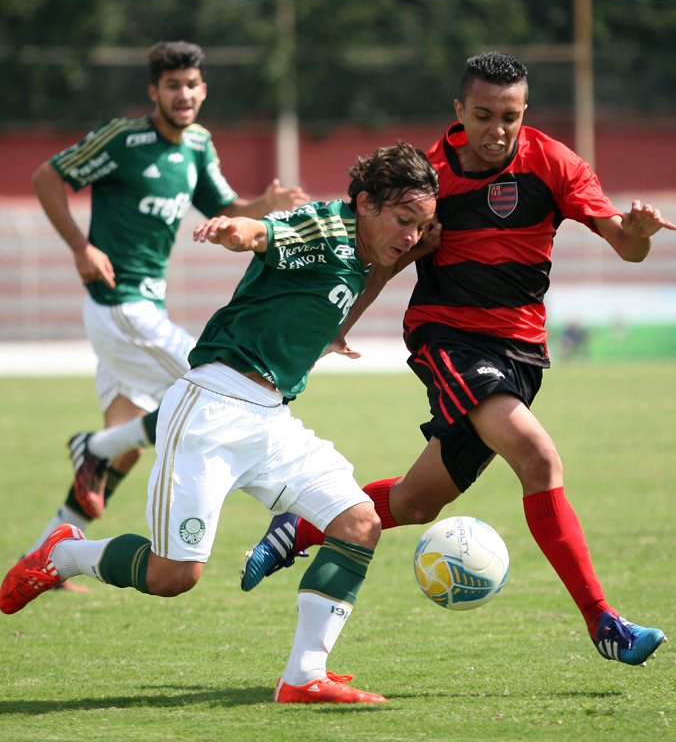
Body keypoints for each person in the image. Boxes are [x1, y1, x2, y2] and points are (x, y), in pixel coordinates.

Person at [239, 52, 672, 667]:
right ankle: (605, 622)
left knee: (417, 502)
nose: (498, 130)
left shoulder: (554, 162)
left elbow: (625, 246)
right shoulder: (431, 178)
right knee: (539, 458)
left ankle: (299, 528)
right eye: (484, 115)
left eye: (510, 117)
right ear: (459, 111)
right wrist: (341, 326)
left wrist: (639, 234)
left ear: (525, 112)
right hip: (450, 340)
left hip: (522, 352)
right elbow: (386, 256)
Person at [0, 141, 440, 704]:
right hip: (211, 409)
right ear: (365, 203)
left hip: (272, 419)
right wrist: (236, 230)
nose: (411, 235)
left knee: (358, 523)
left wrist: (344, 323)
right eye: (404, 220)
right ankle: (64, 553)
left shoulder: (367, 249)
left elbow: (371, 273)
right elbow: (264, 234)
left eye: (420, 225)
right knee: (173, 576)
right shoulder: (324, 227)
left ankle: (304, 676)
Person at [26, 41, 310, 558]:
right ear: (154, 91)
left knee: (124, 447)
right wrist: (80, 247)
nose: (184, 94)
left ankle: (44, 556)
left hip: (145, 312)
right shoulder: (124, 139)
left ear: (204, 90)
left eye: (191, 85)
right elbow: (48, 176)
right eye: (172, 85)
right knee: (218, 389)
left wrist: (264, 204)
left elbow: (225, 206)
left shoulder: (198, 144)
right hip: (120, 306)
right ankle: (95, 449)